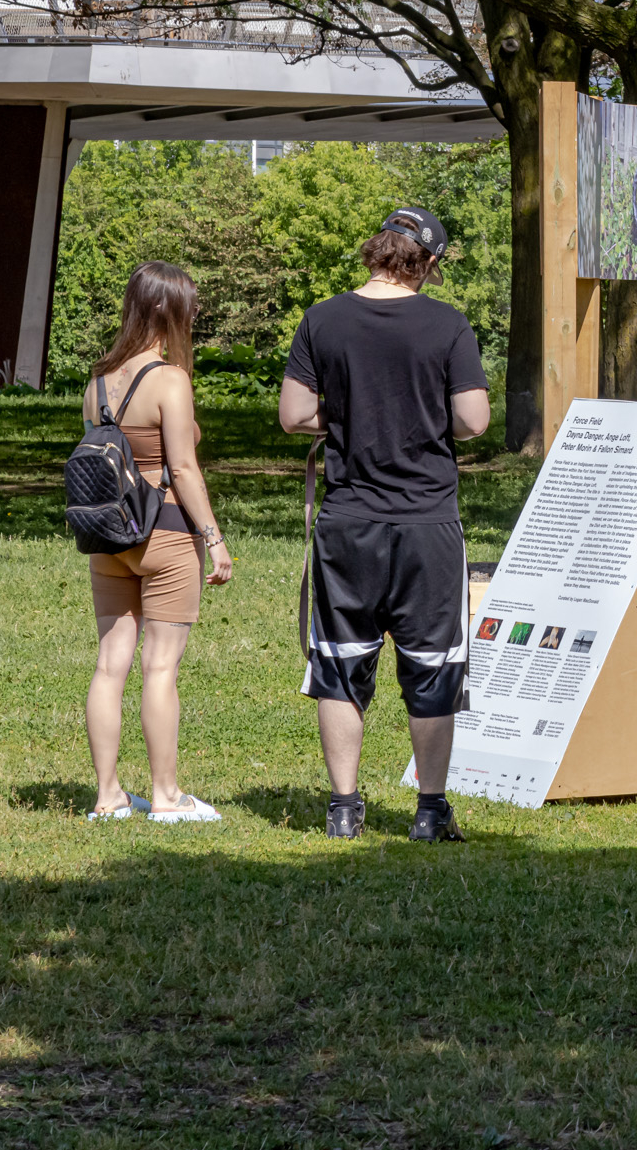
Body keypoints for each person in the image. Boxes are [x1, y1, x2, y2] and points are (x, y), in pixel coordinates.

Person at [280, 206, 490, 841]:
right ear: (424, 261)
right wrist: (421, 417)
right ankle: (430, 811)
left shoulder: (322, 319)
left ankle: (343, 807)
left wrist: (346, 419)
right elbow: (474, 421)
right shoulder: (448, 326)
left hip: (348, 523)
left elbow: (294, 415)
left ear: (378, 250)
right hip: (427, 523)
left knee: (342, 663)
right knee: (432, 664)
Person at [85, 262, 234, 822]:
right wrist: (214, 539)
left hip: (109, 536)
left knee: (109, 665)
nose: (195, 315)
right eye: (191, 306)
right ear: (165, 310)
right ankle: (168, 798)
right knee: (161, 668)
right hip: (166, 535)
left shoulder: (98, 381)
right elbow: (184, 469)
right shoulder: (170, 379)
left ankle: (108, 797)